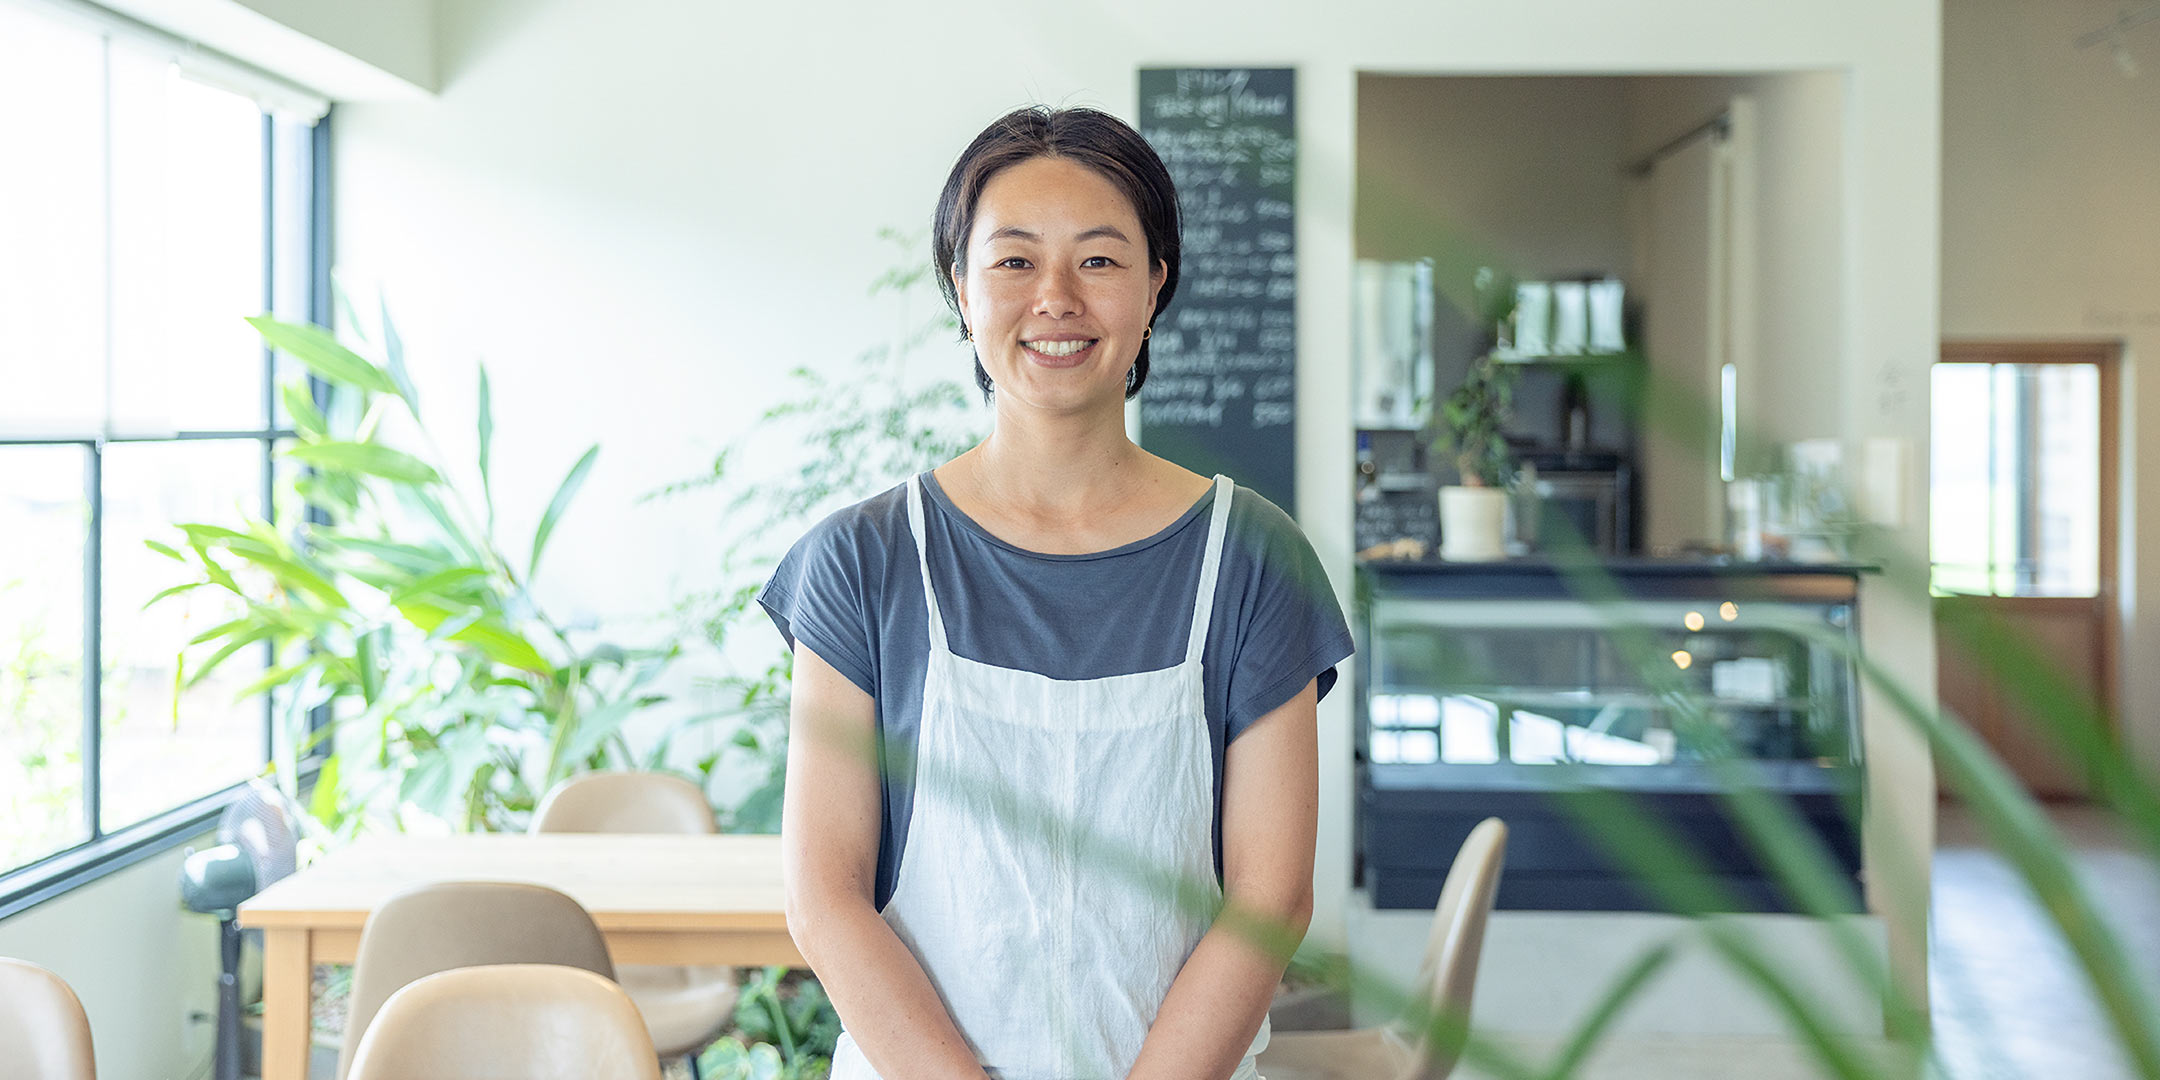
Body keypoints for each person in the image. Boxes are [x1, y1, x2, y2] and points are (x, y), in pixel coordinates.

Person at [762, 105, 1354, 1080]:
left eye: (1101, 260)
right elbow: (825, 896)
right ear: (960, 286)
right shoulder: (861, 562)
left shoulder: (1251, 561)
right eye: (1013, 261)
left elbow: (1271, 896)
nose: (1056, 298)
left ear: (1156, 285)